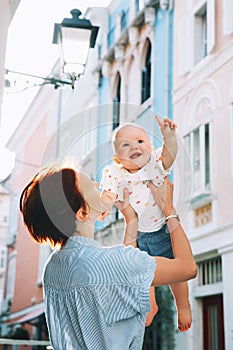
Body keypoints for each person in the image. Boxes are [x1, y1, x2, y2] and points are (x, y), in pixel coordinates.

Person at [19, 163, 197, 350]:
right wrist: (168, 208)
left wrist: (131, 221)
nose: (99, 185)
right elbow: (187, 268)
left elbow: (136, 294)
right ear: (82, 213)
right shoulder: (109, 263)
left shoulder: (53, 268)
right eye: (91, 185)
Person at [100, 116, 192, 331]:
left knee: (176, 272)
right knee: (141, 276)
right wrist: (103, 207)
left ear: (151, 148)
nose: (134, 146)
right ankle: (150, 305)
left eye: (140, 141)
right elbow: (106, 194)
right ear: (117, 159)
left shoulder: (155, 164)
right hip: (138, 234)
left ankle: (183, 305)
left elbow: (170, 153)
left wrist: (169, 136)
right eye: (126, 144)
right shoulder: (114, 173)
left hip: (161, 230)